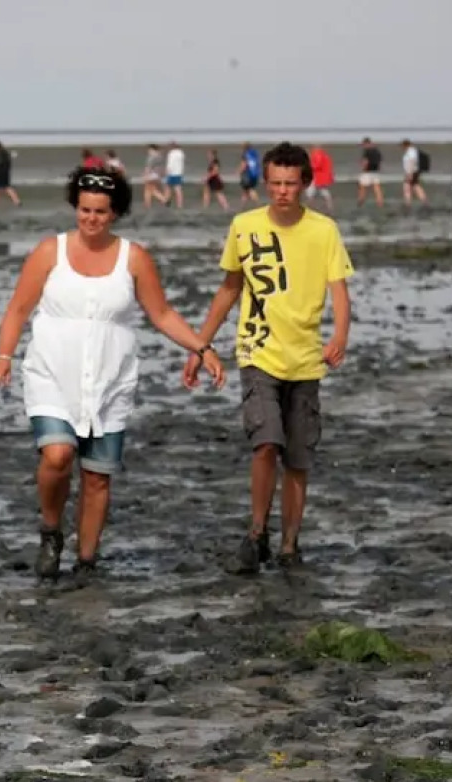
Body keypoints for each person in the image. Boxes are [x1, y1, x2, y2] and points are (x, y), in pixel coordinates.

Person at [0, 167, 225, 581]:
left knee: (97, 477)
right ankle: (51, 531)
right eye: (84, 210)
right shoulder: (50, 252)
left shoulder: (134, 258)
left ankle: (86, 561)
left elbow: (162, 314)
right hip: (51, 374)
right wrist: (4, 355)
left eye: (99, 211)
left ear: (114, 213)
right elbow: (18, 309)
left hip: (109, 381)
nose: (91, 218)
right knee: (57, 456)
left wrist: (201, 348)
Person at [192, 142, 353, 573]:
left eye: (290, 183)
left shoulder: (324, 231)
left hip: (305, 360)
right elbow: (229, 288)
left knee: (298, 459)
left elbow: (339, 291)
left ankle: (289, 545)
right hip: (258, 352)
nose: (282, 191)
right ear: (266, 183)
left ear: (304, 184)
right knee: (265, 443)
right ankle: (256, 533)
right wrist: (200, 344)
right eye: (275, 183)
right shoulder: (244, 226)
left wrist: (339, 335)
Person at [357, 138, 384, 208]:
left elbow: (365, 162)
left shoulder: (367, 151)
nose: (363, 146)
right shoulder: (377, 151)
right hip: (376, 172)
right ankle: (380, 203)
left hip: (367, 172)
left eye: (364, 145)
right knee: (377, 188)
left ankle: (360, 201)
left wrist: (363, 168)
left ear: (366, 144)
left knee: (362, 187)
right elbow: (380, 162)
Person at [401, 139, 428, 207]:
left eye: (402, 146)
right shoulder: (412, 151)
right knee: (415, 186)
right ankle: (424, 201)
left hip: (412, 172)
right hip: (413, 172)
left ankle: (408, 203)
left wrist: (409, 174)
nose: (402, 147)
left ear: (405, 145)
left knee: (407, 187)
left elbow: (412, 162)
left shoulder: (411, 152)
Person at [0, 140, 20, 205]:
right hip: (6, 173)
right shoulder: (6, 153)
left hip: (0, 173)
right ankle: (17, 201)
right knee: (7, 188)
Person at [308, 144, 335, 210]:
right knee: (323, 191)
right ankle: (329, 205)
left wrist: (308, 166)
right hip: (323, 177)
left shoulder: (318, 155)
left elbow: (316, 165)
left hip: (317, 176)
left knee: (310, 190)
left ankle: (310, 206)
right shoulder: (325, 156)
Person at [141, 144, 169, 208]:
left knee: (150, 189)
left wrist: (145, 175)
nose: (148, 151)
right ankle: (148, 204)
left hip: (151, 175)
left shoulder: (151, 158)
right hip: (157, 175)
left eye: (149, 150)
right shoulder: (160, 157)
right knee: (149, 189)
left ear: (153, 149)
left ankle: (163, 200)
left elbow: (148, 167)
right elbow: (162, 167)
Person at [165, 141, 186, 209]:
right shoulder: (181, 153)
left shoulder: (171, 153)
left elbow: (170, 164)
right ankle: (180, 204)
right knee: (178, 189)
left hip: (172, 173)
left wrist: (167, 171)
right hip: (179, 173)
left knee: (168, 187)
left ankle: (167, 201)